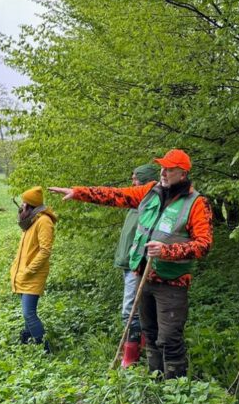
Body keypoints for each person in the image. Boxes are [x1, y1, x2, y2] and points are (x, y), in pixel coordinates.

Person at [50, 149, 213, 379]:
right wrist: (78, 192)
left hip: (172, 283)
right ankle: (156, 383)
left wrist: (166, 251)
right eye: (162, 168)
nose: (163, 172)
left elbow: (203, 245)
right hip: (143, 277)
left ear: (183, 173)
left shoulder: (197, 203)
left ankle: (176, 391)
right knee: (151, 332)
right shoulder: (150, 191)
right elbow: (115, 195)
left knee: (169, 338)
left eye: (170, 169)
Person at [116, 163, 161, 368]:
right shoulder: (135, 204)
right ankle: (138, 347)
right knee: (135, 309)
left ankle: (131, 356)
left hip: (139, 264)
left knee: (130, 310)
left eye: (136, 179)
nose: (132, 182)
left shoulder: (149, 206)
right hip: (128, 263)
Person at [10, 186, 57, 352]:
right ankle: (27, 339)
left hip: (33, 274)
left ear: (30, 204)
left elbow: (45, 250)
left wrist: (30, 269)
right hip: (24, 273)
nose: (21, 205)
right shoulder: (31, 220)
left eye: (24, 202)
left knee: (29, 312)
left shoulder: (43, 221)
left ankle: (44, 349)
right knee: (27, 312)